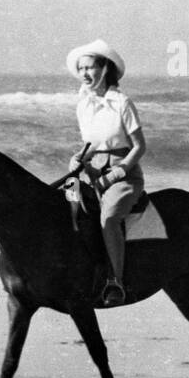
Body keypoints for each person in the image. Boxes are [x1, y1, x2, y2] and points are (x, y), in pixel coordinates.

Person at [66, 39, 146, 307]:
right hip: (91, 170)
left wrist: (117, 173)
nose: (85, 74)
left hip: (124, 174)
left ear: (105, 69)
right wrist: (78, 157)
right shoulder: (83, 104)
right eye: (81, 69)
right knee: (67, 208)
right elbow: (92, 144)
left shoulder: (122, 102)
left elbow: (139, 146)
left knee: (109, 218)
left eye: (90, 67)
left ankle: (116, 281)